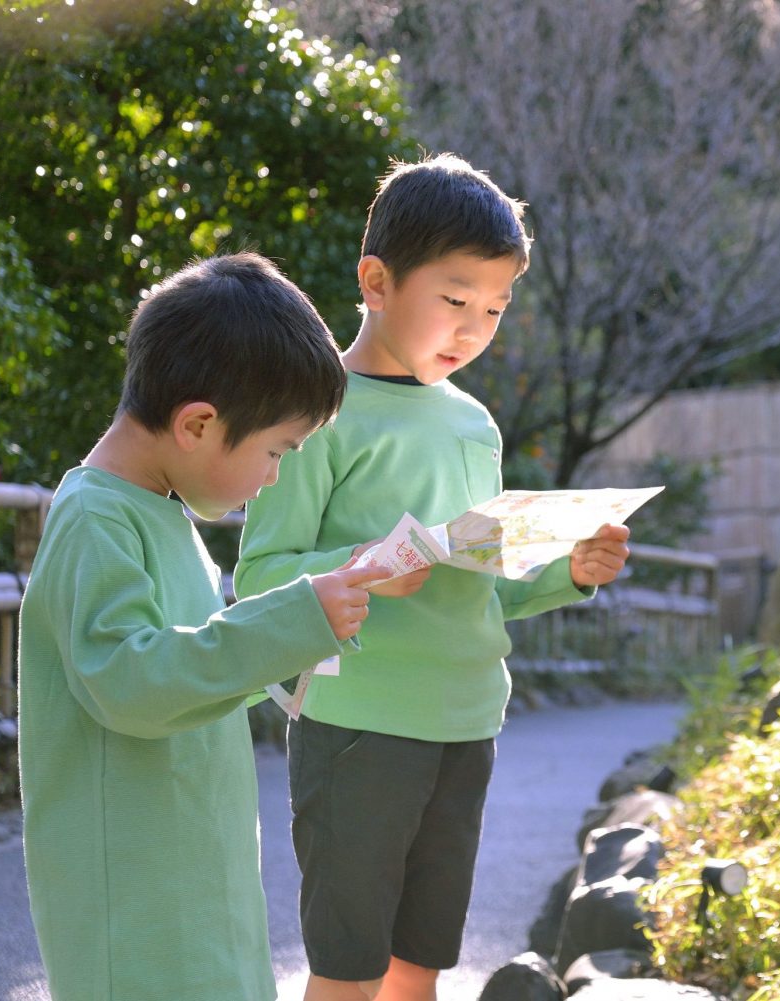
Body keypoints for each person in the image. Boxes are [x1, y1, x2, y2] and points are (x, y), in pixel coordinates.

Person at [235, 153, 632, 1001]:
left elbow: (485, 575)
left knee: (423, 956)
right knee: (351, 960)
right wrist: (366, 567)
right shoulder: (320, 411)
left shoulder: (475, 425)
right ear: (376, 281)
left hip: (466, 717)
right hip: (357, 720)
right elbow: (261, 574)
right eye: (454, 301)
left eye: (493, 308)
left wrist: (571, 567)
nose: (473, 328)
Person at [17, 251, 393, 1001]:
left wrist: (307, 623)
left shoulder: (158, 510)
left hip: (192, 875)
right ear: (198, 423)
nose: (276, 474)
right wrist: (289, 623)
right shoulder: (96, 519)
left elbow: (194, 663)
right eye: (276, 449)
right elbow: (131, 682)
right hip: (135, 903)